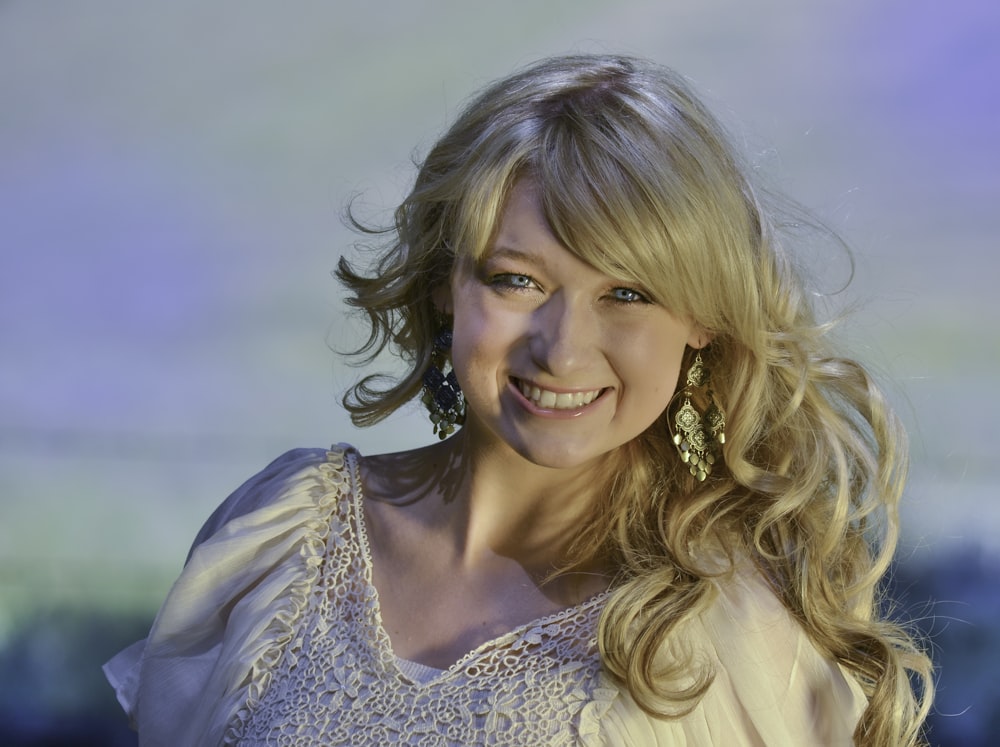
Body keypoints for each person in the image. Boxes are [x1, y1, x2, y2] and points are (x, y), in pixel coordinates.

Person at [104, 53, 932, 746]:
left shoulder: (731, 638)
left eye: (629, 293)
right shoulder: (282, 542)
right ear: (443, 286)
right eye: (517, 279)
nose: (562, 346)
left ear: (704, 320)